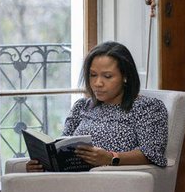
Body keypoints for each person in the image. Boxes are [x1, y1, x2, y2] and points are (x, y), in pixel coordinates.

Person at [26, 41, 168, 171]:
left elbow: (152, 154)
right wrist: (44, 164)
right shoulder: (81, 106)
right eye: (93, 75)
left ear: (125, 76)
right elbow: (61, 148)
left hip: (114, 182)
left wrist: (111, 157)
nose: (97, 83)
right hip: (71, 180)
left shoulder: (147, 107)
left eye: (107, 76)